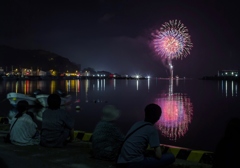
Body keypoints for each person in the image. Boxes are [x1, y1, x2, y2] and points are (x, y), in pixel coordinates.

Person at [117, 103, 175, 168]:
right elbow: (159, 156)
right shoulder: (152, 129)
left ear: (145, 114)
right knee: (170, 157)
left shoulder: (137, 124)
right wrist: (160, 150)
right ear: (158, 117)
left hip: (121, 161)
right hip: (134, 163)